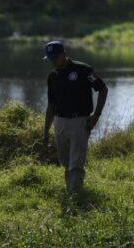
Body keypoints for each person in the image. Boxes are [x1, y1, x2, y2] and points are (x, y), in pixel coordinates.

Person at [42, 41, 109, 194]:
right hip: (60, 122)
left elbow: (103, 89)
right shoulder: (52, 76)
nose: (53, 61)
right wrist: (45, 132)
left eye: (55, 57)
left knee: (76, 163)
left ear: (64, 54)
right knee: (65, 161)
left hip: (80, 122)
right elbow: (51, 105)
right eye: (50, 58)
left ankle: (75, 195)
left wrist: (96, 115)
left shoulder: (84, 70)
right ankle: (70, 190)